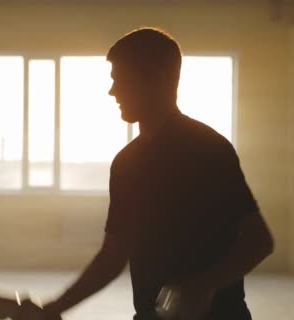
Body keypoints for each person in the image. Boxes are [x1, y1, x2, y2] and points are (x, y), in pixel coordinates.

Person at [21, 27, 274, 320]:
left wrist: (205, 286)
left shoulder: (210, 150)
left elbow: (259, 241)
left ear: (159, 77)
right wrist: (53, 309)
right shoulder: (126, 163)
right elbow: (113, 256)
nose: (112, 91)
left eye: (121, 80)